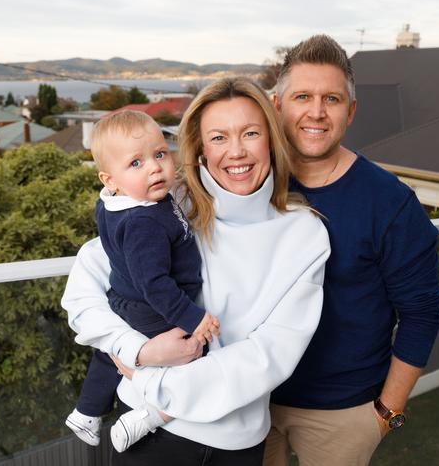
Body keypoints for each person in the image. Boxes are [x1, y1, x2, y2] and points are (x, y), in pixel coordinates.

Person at [61, 77, 331, 465]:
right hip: (146, 432)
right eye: (219, 137)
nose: (236, 151)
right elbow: (85, 292)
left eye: (251, 133)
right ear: (201, 148)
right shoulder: (167, 206)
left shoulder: (305, 233)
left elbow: (270, 355)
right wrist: (139, 350)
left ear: (271, 138)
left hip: (232, 441)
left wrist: (156, 382)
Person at [263, 35, 439, 465]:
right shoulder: (250, 182)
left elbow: (421, 314)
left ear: (351, 111)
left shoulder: (389, 202)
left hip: (343, 413)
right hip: (249, 398)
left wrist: (387, 412)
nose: (317, 112)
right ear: (277, 105)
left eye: (332, 99)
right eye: (302, 96)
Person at [64, 110, 220, 450]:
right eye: (136, 163)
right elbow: (155, 284)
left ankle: (86, 411)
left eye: (160, 154)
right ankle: (150, 415)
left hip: (123, 297)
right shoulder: (144, 221)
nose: (154, 167)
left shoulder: (116, 204)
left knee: (108, 356)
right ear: (110, 180)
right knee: (197, 356)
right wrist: (194, 319)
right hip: (152, 307)